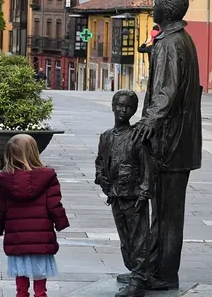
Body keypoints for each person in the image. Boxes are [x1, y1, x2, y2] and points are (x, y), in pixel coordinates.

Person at [132, 0, 202, 291]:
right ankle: (154, 268)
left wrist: (149, 121)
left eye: (156, 3)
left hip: (170, 142)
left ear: (167, 10)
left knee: (168, 211)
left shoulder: (171, 44)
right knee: (165, 209)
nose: (152, 7)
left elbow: (167, 91)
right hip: (179, 139)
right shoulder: (177, 39)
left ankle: (163, 274)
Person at [0, 134, 70, 297]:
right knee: (40, 277)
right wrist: (61, 222)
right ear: (35, 152)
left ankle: (22, 294)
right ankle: (40, 294)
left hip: (17, 237)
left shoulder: (5, 181)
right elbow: (54, 204)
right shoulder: (48, 177)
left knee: (21, 274)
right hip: (41, 237)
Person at [95, 90, 154, 297]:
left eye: (128, 107)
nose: (123, 110)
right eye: (120, 105)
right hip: (115, 195)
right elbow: (100, 162)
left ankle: (138, 279)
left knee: (139, 238)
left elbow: (147, 167)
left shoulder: (137, 138)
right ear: (113, 106)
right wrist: (103, 182)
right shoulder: (106, 137)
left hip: (134, 196)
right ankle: (137, 272)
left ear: (134, 110)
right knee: (125, 238)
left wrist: (144, 193)